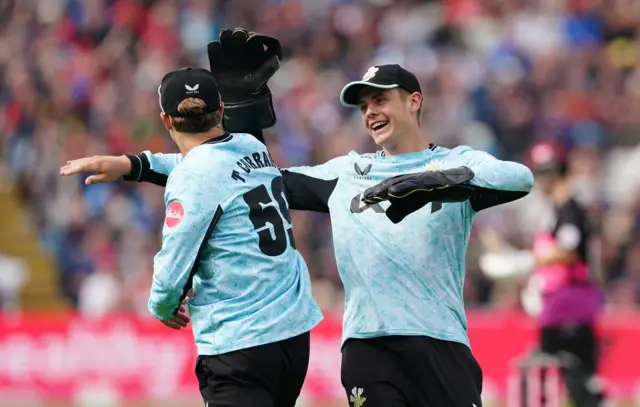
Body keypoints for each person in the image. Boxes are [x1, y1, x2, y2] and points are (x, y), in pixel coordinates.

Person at [61, 29, 534, 407]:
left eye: (381, 99)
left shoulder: (456, 161)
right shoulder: (346, 173)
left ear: (414, 100)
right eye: (363, 104)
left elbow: (519, 178)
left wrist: (431, 180)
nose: (370, 111)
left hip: (442, 343)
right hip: (369, 347)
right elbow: (238, 175)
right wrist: (136, 165)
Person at [62, 66, 323, 407]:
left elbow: (172, 270)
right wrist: (130, 164)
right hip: (292, 334)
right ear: (220, 112)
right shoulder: (250, 146)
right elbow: (204, 162)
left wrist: (161, 305)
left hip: (239, 343)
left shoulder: (193, 178)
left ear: (166, 120)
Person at [524, 141, 606, 407]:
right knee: (561, 377)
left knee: (577, 379)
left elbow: (568, 250)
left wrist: (527, 259)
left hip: (571, 307)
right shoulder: (557, 212)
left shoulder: (570, 209)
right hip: (560, 305)